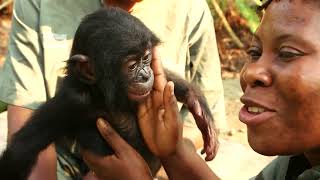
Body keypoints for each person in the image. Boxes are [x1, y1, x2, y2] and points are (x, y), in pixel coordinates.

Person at [0, 0, 225, 179]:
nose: (146, 74)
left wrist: (193, 97)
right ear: (88, 71)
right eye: (133, 65)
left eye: (147, 59)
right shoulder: (76, 98)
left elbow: (164, 77)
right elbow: (24, 146)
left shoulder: (190, 10)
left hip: (156, 163)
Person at [239, 0, 320, 179]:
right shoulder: (299, 158)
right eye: (254, 52)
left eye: (287, 54)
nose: (250, 73)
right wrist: (177, 153)